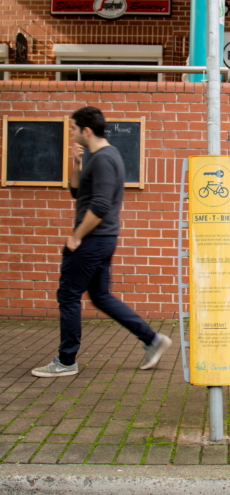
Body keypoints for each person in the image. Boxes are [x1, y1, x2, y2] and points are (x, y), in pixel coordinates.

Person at [32, 107, 171, 378]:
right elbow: (78, 193)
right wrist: (76, 164)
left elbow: (100, 205)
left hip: (93, 240)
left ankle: (66, 360)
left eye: (73, 129)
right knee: (100, 296)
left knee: (68, 295)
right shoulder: (97, 157)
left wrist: (76, 236)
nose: (71, 134)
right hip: (101, 240)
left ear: (86, 130)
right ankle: (152, 340)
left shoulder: (105, 159)